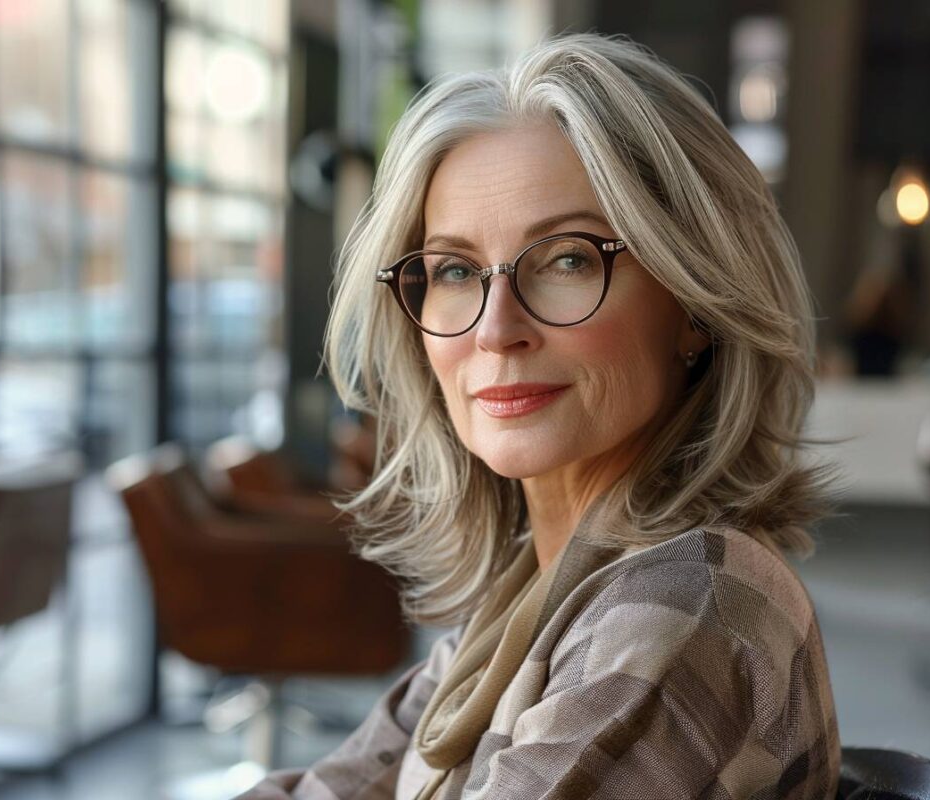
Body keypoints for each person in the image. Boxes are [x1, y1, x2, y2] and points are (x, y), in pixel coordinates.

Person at [238, 32, 840, 800]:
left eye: (567, 259)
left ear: (694, 304)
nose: (495, 330)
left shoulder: (688, 600)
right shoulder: (531, 591)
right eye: (454, 270)